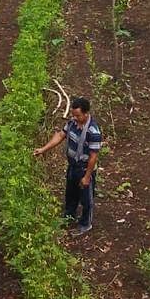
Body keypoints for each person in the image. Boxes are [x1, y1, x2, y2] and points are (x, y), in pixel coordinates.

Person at [33, 96, 102, 236]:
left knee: (86, 199)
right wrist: (43, 149)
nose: (75, 118)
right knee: (71, 193)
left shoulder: (93, 132)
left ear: (86, 113)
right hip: (73, 166)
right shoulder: (72, 123)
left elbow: (93, 157)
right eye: (73, 115)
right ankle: (69, 216)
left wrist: (87, 176)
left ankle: (85, 224)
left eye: (78, 115)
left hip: (84, 168)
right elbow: (60, 136)